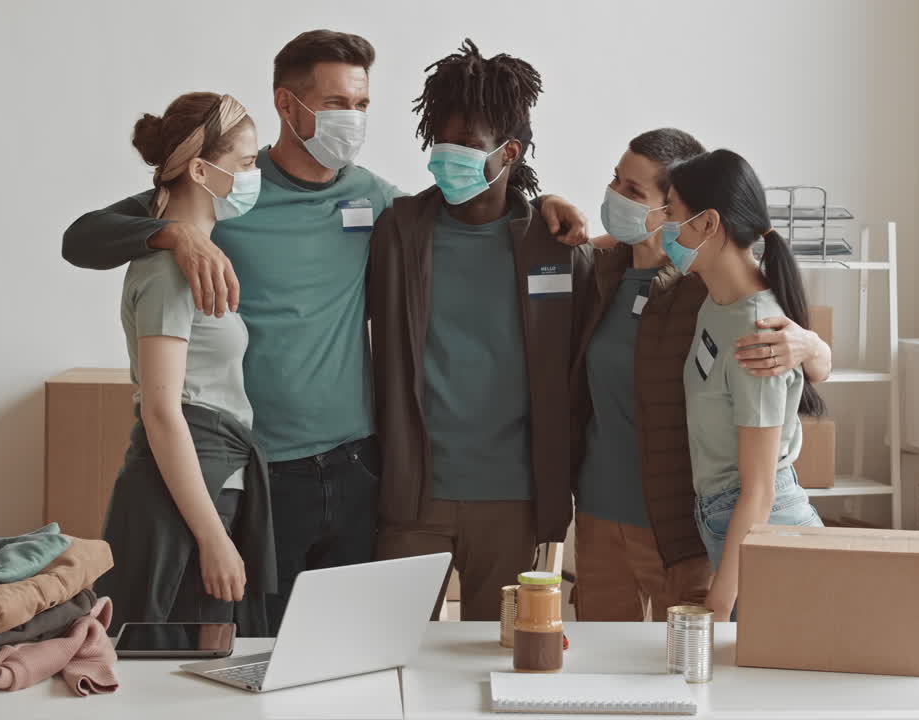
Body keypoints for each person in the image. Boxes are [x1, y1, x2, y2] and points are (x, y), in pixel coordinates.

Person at [61, 31, 589, 633]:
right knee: (264, 651)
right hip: (265, 471)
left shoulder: (378, 204)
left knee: (352, 648)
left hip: (358, 468)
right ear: (288, 106)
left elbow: (467, 205)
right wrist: (174, 235)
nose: (354, 120)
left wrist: (541, 199)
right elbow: (83, 236)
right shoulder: (226, 188)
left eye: (362, 105)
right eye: (337, 104)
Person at [368, 40, 591, 621]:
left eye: (468, 145)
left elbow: (633, 275)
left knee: (496, 663)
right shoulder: (399, 231)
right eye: (441, 144)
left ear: (509, 152)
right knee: (393, 652)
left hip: (514, 500)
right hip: (414, 495)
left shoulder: (554, 244)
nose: (449, 158)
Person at [569, 130, 832, 621]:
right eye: (615, 181)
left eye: (640, 194)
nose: (615, 197)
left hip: (693, 524)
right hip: (614, 510)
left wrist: (812, 346)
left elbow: (759, 488)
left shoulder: (719, 300)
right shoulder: (612, 272)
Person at [94, 92, 276, 636]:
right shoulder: (172, 271)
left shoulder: (194, 260)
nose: (254, 174)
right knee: (180, 671)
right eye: (245, 163)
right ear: (201, 169)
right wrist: (213, 538)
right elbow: (162, 411)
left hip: (209, 483)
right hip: (185, 496)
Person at [661, 149, 826, 620]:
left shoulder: (757, 333)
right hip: (731, 519)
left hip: (762, 530)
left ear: (708, 224)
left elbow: (759, 490)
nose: (664, 228)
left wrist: (717, 604)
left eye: (672, 214)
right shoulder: (719, 301)